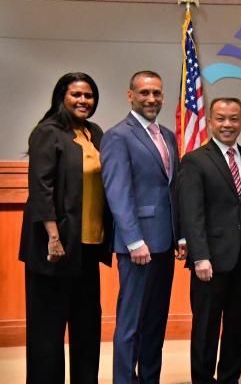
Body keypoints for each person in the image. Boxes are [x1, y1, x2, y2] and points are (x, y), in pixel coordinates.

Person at [19, 72, 112, 384]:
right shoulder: (48, 132)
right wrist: (53, 237)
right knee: (48, 329)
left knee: (87, 326)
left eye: (89, 95)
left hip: (87, 247)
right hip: (53, 249)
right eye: (77, 95)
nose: (84, 101)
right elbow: (40, 188)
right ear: (62, 97)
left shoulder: (94, 133)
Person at [177, 97, 241, 384]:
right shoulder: (195, 160)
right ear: (211, 122)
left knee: (238, 327)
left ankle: (230, 378)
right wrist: (200, 255)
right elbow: (192, 212)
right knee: (205, 327)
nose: (227, 124)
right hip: (210, 261)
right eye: (221, 118)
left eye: (233, 118)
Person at [101, 70, 181, 384]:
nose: (151, 99)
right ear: (130, 95)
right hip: (138, 247)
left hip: (165, 243)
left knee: (155, 322)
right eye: (144, 93)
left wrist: (180, 234)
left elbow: (171, 189)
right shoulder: (118, 136)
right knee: (130, 324)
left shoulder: (169, 136)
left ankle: (150, 379)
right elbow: (118, 192)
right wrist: (134, 241)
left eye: (157, 93)